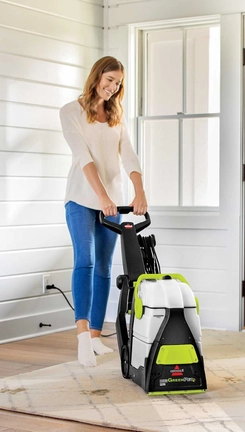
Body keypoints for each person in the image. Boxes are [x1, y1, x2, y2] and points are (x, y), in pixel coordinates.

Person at [60, 56, 147, 367]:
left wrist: (139, 192)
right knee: (85, 260)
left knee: (105, 269)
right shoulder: (72, 111)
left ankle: (96, 336)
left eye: (118, 83)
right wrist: (102, 196)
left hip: (113, 203)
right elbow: (83, 157)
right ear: (97, 76)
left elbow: (130, 158)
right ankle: (82, 335)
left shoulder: (115, 118)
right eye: (110, 79)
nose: (113, 87)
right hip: (82, 199)